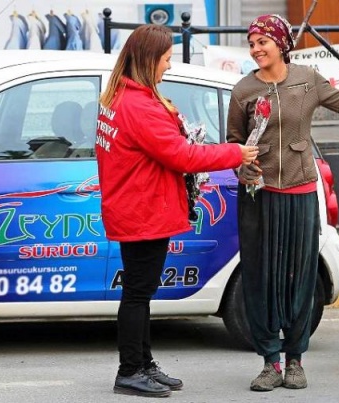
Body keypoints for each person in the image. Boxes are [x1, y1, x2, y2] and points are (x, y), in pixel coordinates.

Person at [95, 24, 258, 398]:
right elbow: (182, 156)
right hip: (142, 211)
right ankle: (129, 370)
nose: (169, 65)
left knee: (142, 291)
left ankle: (143, 363)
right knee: (138, 293)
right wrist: (236, 153)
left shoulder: (124, 96)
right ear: (150, 59)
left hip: (136, 205)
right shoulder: (137, 106)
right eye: (166, 58)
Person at [227, 14, 339, 392]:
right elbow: (232, 145)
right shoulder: (242, 91)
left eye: (263, 42)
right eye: (252, 43)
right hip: (259, 197)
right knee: (261, 278)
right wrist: (245, 169)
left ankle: (295, 361)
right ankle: (270, 362)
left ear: (281, 44)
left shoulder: (308, 80)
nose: (256, 49)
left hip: (302, 194)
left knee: (300, 278)